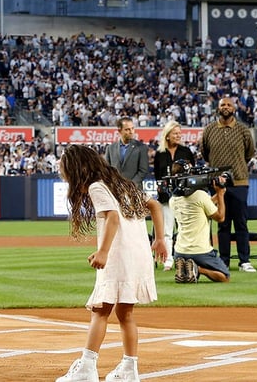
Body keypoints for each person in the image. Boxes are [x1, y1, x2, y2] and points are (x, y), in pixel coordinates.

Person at [55, 144, 167, 382]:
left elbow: (113, 218)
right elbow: (155, 205)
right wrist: (159, 239)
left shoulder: (97, 186)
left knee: (100, 310)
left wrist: (103, 252)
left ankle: (87, 368)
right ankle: (130, 370)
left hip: (119, 256)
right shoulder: (122, 184)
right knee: (125, 313)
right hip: (138, 256)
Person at [200, 97, 257, 273]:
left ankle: (244, 261)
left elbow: (249, 153)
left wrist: (237, 167)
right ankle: (223, 261)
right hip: (217, 183)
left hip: (239, 181)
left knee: (241, 222)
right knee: (222, 223)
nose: (225, 107)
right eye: (222, 105)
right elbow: (205, 154)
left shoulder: (243, 130)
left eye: (229, 105)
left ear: (234, 108)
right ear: (218, 108)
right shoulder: (209, 129)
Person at [169, 160, 230, 283]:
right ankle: (198, 269)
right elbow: (220, 217)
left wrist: (218, 194)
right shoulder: (200, 195)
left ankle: (185, 268)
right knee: (225, 277)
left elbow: (201, 206)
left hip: (180, 251)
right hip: (200, 251)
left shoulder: (173, 199)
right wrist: (220, 194)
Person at [153, 121, 195, 271]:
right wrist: (160, 188)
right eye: (175, 133)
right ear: (168, 135)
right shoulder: (160, 153)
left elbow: (192, 172)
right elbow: (158, 175)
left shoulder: (186, 151)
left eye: (179, 133)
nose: (178, 136)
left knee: (185, 229)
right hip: (166, 197)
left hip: (184, 196)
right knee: (167, 230)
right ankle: (168, 260)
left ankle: (186, 258)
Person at [104, 117, 148, 189]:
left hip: (134, 190)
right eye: (127, 129)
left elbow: (143, 171)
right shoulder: (110, 148)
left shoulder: (141, 147)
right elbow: (106, 170)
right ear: (119, 130)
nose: (131, 132)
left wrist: (131, 185)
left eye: (132, 128)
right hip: (115, 189)